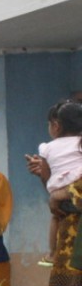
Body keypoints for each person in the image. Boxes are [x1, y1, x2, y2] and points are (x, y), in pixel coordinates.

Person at [27, 100, 82, 266]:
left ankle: (51, 253)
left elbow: (52, 185)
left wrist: (48, 178)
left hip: (67, 209)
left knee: (55, 217)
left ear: (56, 126)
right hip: (71, 223)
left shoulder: (47, 148)